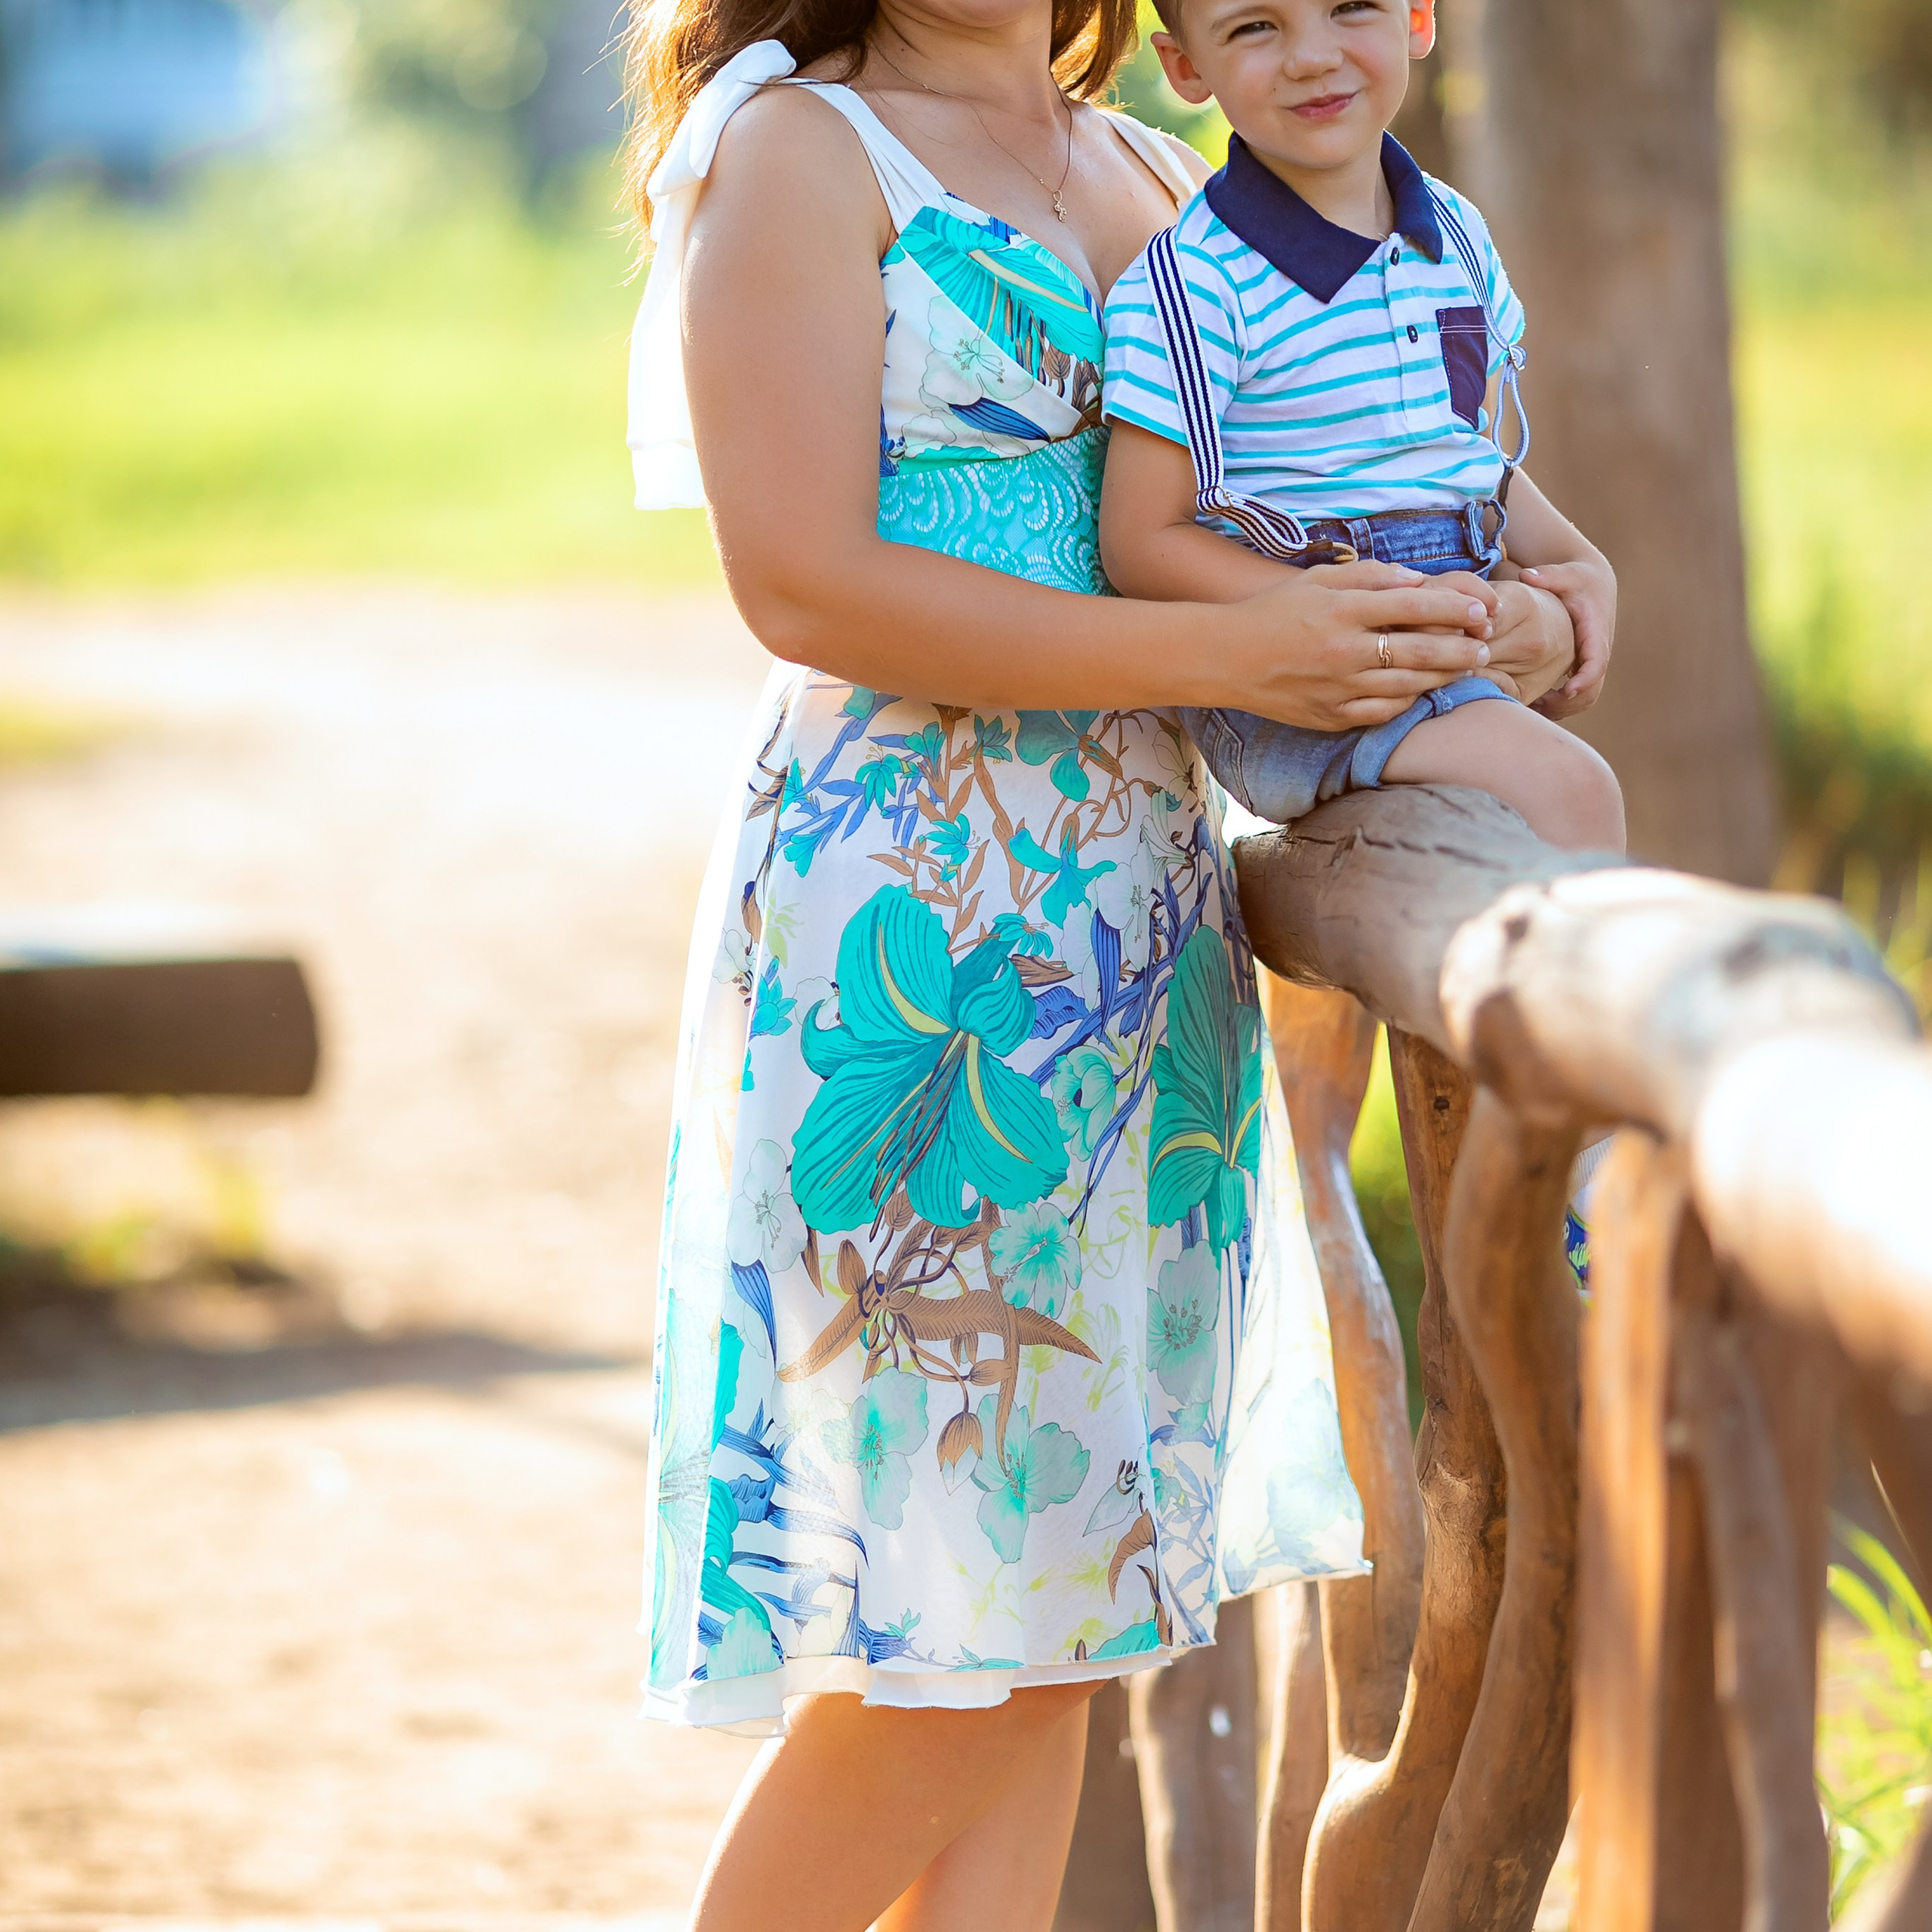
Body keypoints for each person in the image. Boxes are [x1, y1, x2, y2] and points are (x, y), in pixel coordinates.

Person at [617, 0, 1579, 1919]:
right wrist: (1228, 658)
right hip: (913, 930)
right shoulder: (800, 150)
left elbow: (1370, 454)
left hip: (1134, 936)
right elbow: (797, 572)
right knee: (937, 1652)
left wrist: (1531, 605)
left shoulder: (1152, 166)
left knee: (1053, 1613)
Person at [1099, 0, 1627, 854]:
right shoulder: (1194, 282)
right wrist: (1324, 614)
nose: (1312, 56)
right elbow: (1140, 539)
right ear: (1185, 66)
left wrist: (1579, 567)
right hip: (1297, 673)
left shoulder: (1453, 231)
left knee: (1523, 829)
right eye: (1253, 27)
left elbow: (1462, 457)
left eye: (1349, 7)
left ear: (1418, 17)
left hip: (1446, 621)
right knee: (1570, 790)